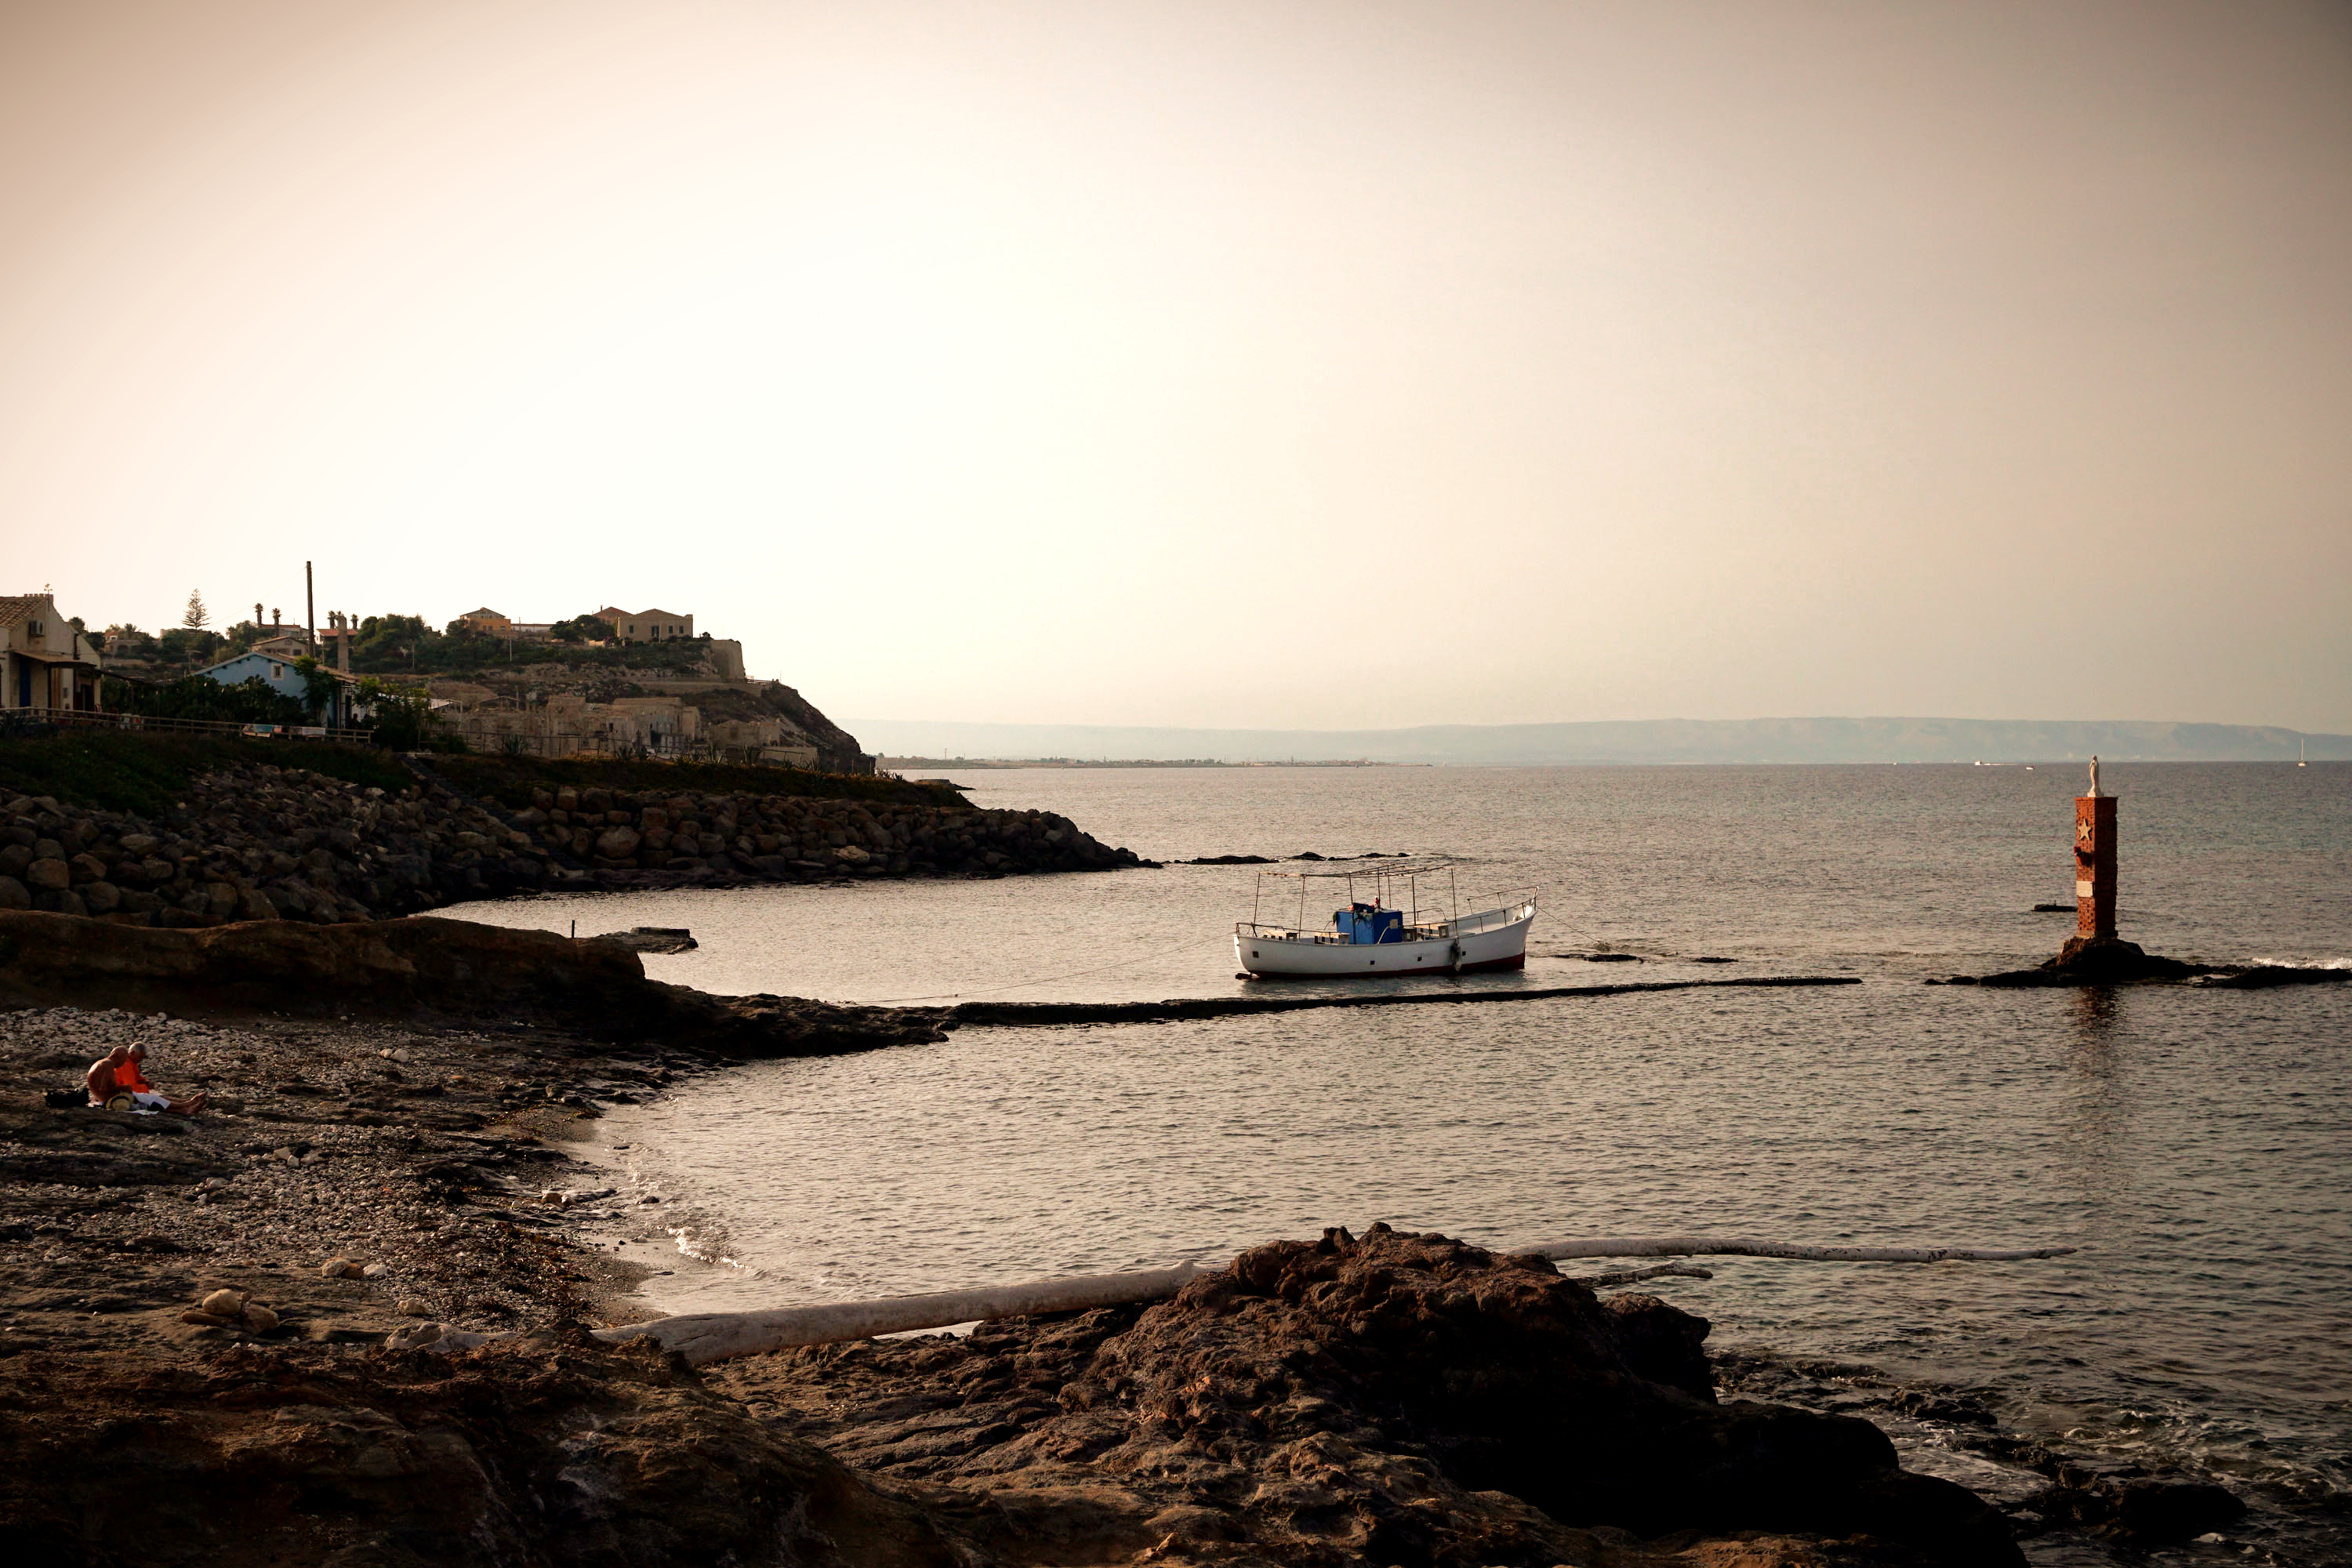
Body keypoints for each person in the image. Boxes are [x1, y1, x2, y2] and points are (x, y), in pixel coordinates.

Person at [87, 1044, 207, 1115]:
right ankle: (185, 1108)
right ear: (117, 1056)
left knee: (151, 1098)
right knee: (151, 1099)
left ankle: (186, 1105)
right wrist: (124, 1088)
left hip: (106, 1097)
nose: (123, 1063)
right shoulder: (109, 1064)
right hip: (108, 1098)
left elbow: (104, 1087)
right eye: (123, 1060)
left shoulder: (103, 1063)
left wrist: (144, 1083)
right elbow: (104, 1088)